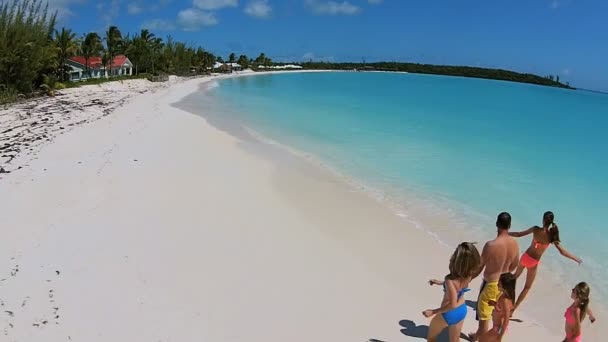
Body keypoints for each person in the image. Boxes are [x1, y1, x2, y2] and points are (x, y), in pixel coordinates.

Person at [509, 211, 582, 313]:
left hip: (525, 257)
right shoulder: (551, 237)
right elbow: (562, 251)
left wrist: (506, 233)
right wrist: (575, 258)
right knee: (527, 287)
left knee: (513, 278)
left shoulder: (535, 229)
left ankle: (502, 297)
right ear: (551, 221)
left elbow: (519, 234)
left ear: (543, 220)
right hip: (533, 262)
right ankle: (512, 309)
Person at [468, 212, 519, 342]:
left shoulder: (491, 245)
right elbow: (514, 266)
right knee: (496, 318)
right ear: (510, 225)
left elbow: (479, 267)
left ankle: (481, 338)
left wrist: (467, 279)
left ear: (497, 224)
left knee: (484, 318)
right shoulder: (514, 244)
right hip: (504, 287)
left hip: (490, 285)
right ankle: (477, 336)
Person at [423, 242, 481, 342]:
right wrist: (440, 282)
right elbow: (457, 287)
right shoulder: (468, 276)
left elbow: (452, 304)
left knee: (431, 338)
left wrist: (433, 311)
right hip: (462, 310)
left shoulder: (449, 280)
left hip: (447, 313)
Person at [479, 273, 516, 342]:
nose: (497, 284)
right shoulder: (503, 296)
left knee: (481, 340)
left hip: (498, 329)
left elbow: (506, 319)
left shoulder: (505, 301)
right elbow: (501, 309)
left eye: (499, 283)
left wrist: (500, 336)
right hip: (496, 328)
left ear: (505, 286)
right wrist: (494, 304)